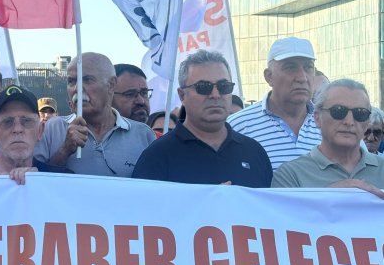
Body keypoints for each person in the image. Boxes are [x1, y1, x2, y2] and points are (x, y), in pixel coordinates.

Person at [133, 51, 273, 187]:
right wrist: (205, 199)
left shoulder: (254, 152)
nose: (215, 94)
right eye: (203, 87)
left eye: (223, 86)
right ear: (182, 95)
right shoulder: (157, 156)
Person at [34, 52, 155, 176]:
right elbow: (34, 180)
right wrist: (64, 151)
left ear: (111, 85)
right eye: (71, 81)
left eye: (87, 80)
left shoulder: (144, 135)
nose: (77, 88)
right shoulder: (51, 129)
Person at [272, 79, 384, 198]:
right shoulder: (290, 175)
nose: (349, 121)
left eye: (360, 113)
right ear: (317, 118)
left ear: (367, 122)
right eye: (338, 111)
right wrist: (327, 196)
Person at [227, 37, 321, 171]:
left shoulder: (332, 124)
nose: (302, 77)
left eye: (308, 67)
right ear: (269, 76)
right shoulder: (237, 126)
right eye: (290, 67)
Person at [0, 86, 73, 183]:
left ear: (40, 131)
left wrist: (40, 182)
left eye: (26, 121)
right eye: (7, 122)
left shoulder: (63, 181)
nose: (18, 129)